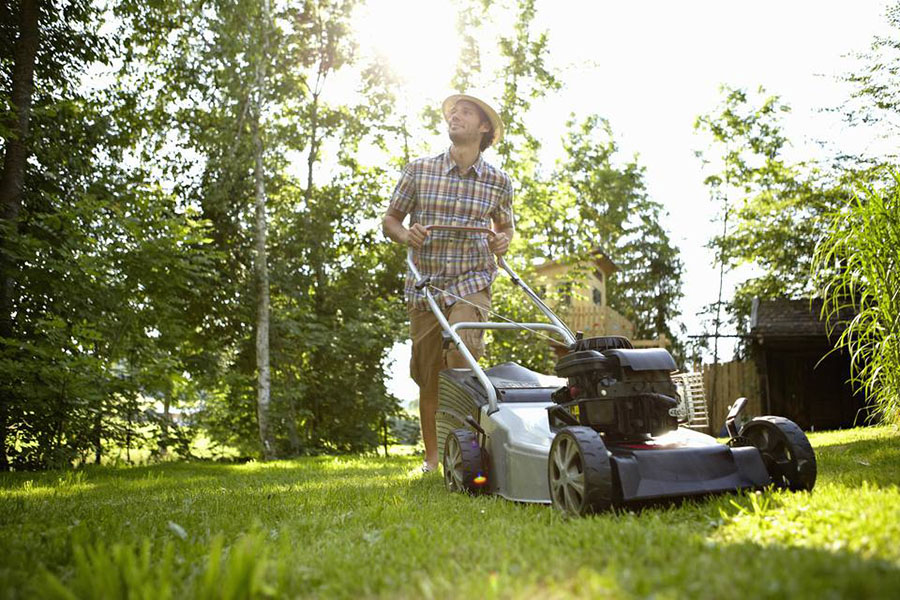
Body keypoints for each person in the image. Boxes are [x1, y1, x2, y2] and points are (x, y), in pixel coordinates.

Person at [382, 93, 515, 473]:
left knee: (461, 350)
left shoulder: (498, 182)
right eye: (453, 112)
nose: (455, 115)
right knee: (431, 378)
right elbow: (390, 220)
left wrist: (502, 240)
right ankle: (433, 459)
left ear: (484, 127)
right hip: (425, 285)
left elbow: (505, 227)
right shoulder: (419, 170)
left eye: (465, 112)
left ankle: (469, 452)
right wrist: (406, 235)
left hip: (473, 278)